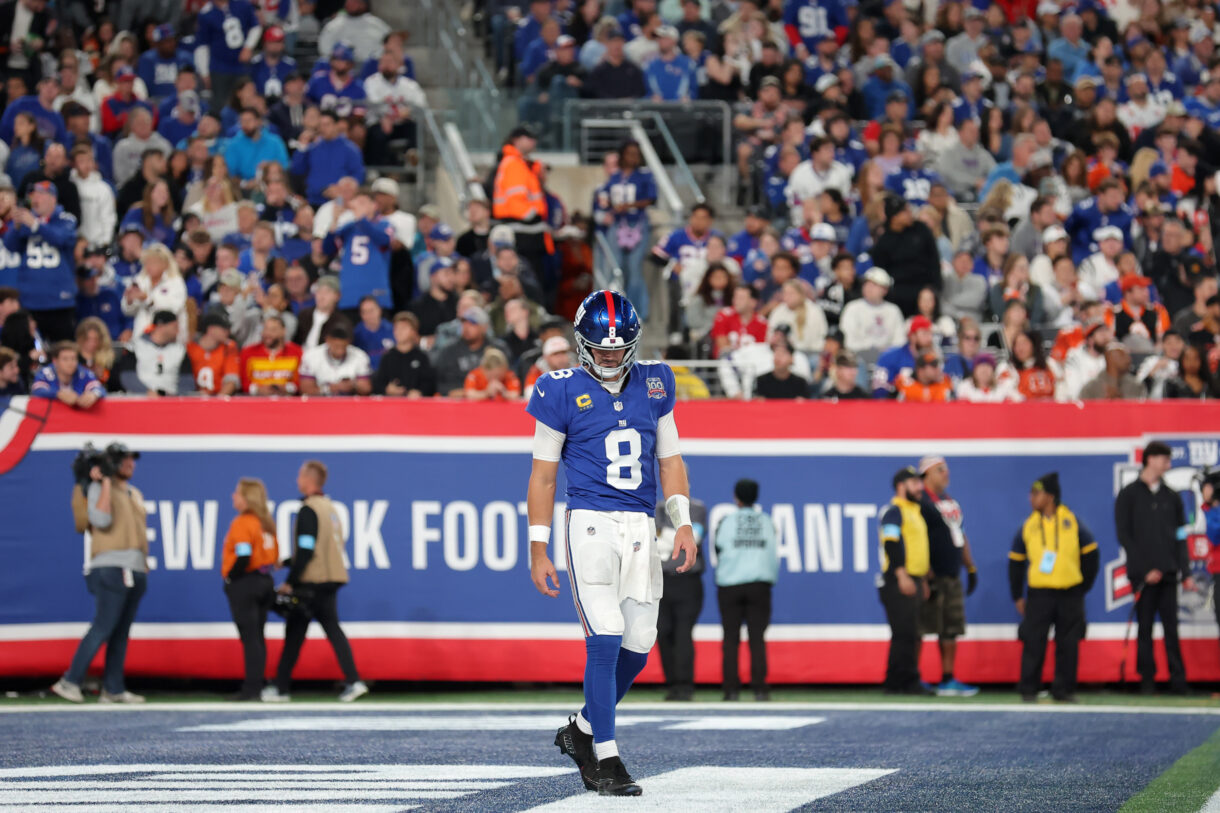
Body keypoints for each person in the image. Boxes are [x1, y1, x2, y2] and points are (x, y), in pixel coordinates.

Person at [528, 290, 697, 796]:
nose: (608, 355)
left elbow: (669, 458)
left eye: (616, 347)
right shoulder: (557, 388)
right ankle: (606, 756)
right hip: (590, 524)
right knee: (603, 636)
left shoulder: (656, 381)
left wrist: (682, 520)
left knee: (639, 646)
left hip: (642, 526)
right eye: (599, 348)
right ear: (582, 345)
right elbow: (542, 476)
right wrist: (538, 546)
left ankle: (580, 730)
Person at [264, 461, 369, 703]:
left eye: (299, 475)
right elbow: (322, 547)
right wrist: (289, 562)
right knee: (328, 629)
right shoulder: (331, 509)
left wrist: (291, 579)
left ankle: (281, 688)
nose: (297, 480)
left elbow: (307, 549)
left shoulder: (309, 509)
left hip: (313, 581)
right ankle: (353, 680)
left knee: (296, 632)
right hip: (332, 577)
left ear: (308, 479)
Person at [53, 444, 148, 704]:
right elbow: (102, 520)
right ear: (113, 464)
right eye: (126, 460)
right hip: (111, 566)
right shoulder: (97, 489)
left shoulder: (134, 492)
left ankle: (113, 688)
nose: (131, 464)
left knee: (120, 631)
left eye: (132, 459)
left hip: (135, 568)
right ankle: (70, 680)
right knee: (104, 625)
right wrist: (104, 481)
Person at [1009, 473, 1099, 703]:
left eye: (1036, 494)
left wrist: (1082, 586)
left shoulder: (1072, 521)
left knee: (1069, 643)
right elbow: (1016, 562)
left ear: (1050, 496)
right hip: (1039, 594)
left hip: (1070, 592)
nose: (1031, 498)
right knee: (1033, 641)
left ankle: (1064, 689)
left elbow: (1091, 555)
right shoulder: (1028, 526)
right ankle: (1029, 689)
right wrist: (1018, 595)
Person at [1114, 441, 1195, 695]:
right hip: (1142, 577)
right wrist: (1145, 569)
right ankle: (1146, 680)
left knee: (1172, 628)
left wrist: (1185, 571)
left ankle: (1178, 681)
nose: (1168, 465)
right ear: (1150, 459)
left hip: (1169, 574)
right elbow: (1124, 536)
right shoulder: (1129, 494)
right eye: (1164, 459)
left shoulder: (1172, 497)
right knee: (1145, 628)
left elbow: (1181, 535)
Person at [918, 456, 979, 697]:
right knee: (922, 627)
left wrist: (970, 567)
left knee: (950, 628)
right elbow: (917, 539)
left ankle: (948, 678)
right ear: (927, 474)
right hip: (932, 575)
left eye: (947, 470)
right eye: (940, 470)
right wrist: (924, 573)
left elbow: (961, 535)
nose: (946, 475)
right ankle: (914, 676)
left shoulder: (950, 502)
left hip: (952, 574)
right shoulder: (921, 502)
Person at [713, 478, 778, 701]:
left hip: (730, 583)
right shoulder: (767, 521)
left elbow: (718, 547)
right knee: (757, 638)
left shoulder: (727, 521)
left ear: (736, 498)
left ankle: (731, 690)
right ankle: (760, 688)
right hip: (759, 584)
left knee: (730, 638)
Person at [221, 477, 278, 701]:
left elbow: (243, 556)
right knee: (258, 636)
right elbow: (274, 559)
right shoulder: (267, 524)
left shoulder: (243, 523)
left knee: (250, 637)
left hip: (246, 583)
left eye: (237, 493)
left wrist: (230, 579)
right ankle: (258, 684)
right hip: (265, 581)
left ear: (247, 498)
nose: (233, 497)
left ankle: (251, 688)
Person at [877, 466, 932, 695]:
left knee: (907, 633)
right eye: (915, 483)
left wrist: (924, 579)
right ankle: (907, 682)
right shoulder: (895, 511)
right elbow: (891, 541)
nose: (920, 487)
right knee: (905, 633)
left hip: (914, 578)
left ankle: (895, 682)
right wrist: (901, 573)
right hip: (899, 578)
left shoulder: (914, 511)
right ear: (901, 486)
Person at [2, 179, 78, 342]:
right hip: (30, 300)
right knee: (27, 348)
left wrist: (36, 225)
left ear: (53, 198)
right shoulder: (26, 221)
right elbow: (10, 246)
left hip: (59, 300)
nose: (35, 199)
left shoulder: (65, 219)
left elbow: (61, 239)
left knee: (63, 347)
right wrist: (15, 227)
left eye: (40, 195)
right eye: (32, 195)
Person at [655, 484, 707, 702]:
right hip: (662, 580)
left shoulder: (696, 508)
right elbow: (653, 541)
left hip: (688, 580)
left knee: (683, 633)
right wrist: (674, 535)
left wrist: (665, 534)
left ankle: (686, 685)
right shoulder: (657, 509)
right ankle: (673, 684)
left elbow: (693, 538)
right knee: (663, 633)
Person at [372, 311, 436, 397]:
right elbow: (378, 383)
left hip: (415, 405)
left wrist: (420, 392)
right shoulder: (387, 357)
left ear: (413, 331)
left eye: (403, 328)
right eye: (396, 328)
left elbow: (430, 384)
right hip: (392, 405)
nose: (399, 331)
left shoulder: (422, 357)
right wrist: (387, 389)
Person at [30, 341, 105, 409]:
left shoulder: (83, 373)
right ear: (55, 361)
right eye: (65, 359)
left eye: (73, 358)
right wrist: (58, 394)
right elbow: (37, 390)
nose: (70, 363)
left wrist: (94, 395)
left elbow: (99, 388)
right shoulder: (46, 373)